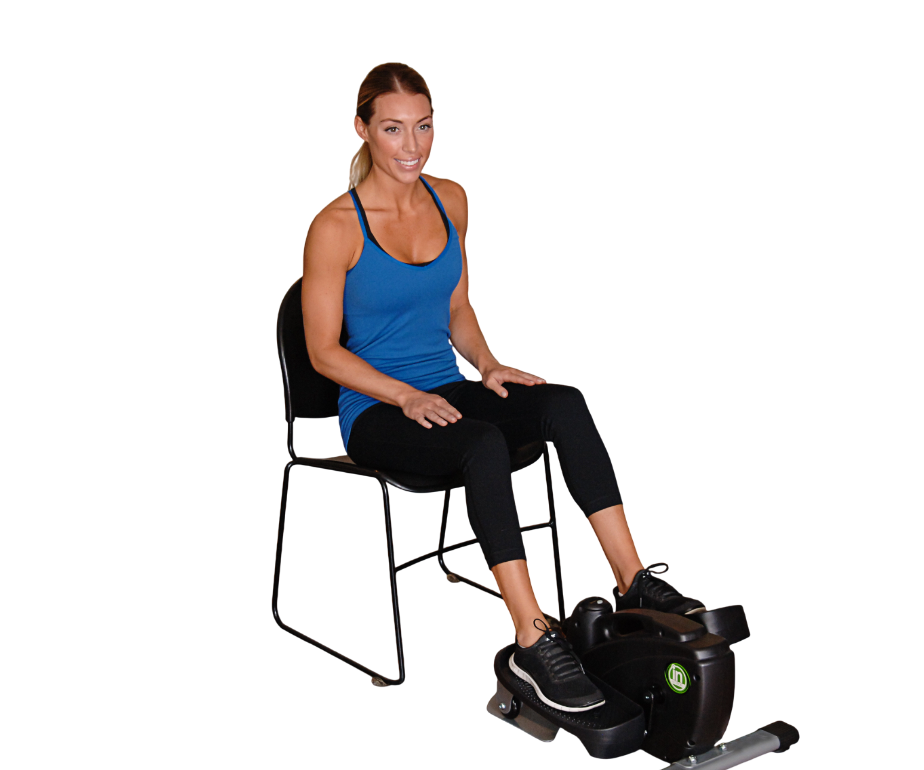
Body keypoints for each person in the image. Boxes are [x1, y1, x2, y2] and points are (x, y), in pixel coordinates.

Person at [301, 63, 705, 713]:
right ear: (363, 129)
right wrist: (402, 396)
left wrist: (486, 364)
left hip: (448, 389)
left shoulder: (450, 199)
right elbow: (322, 352)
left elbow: (456, 308)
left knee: (562, 403)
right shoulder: (335, 227)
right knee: (482, 442)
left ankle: (633, 584)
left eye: (424, 127)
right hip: (375, 412)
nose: (413, 146)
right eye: (394, 129)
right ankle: (531, 635)